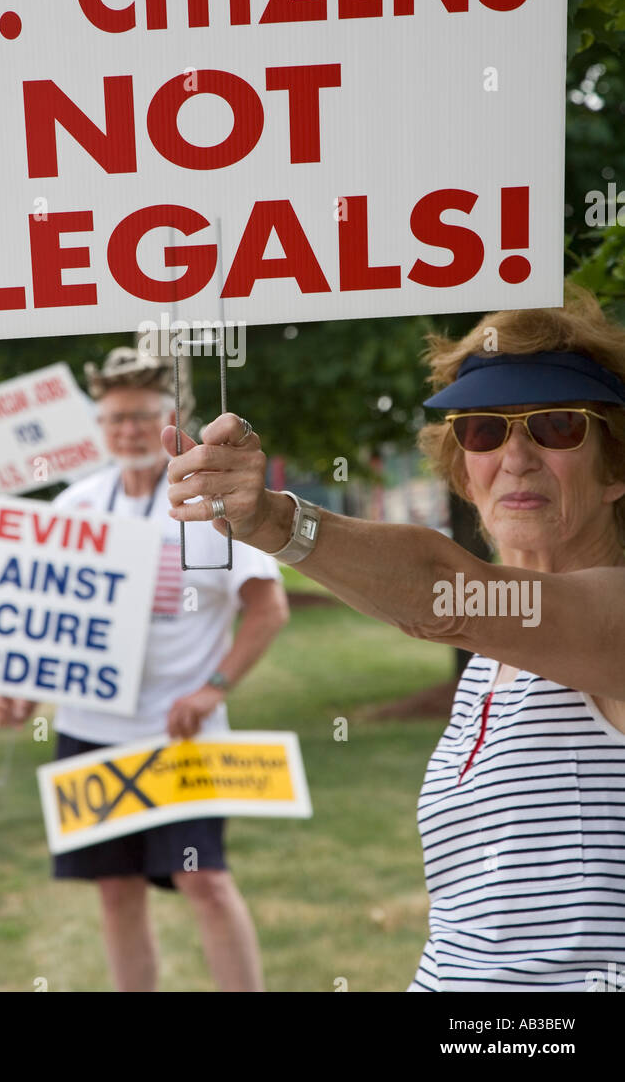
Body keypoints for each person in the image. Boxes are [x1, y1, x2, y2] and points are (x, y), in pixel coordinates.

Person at [163, 286, 625, 992]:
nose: (517, 456)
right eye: (484, 430)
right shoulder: (491, 664)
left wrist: (275, 523)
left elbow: (441, 589)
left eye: (558, 426)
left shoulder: (609, 619)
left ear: (616, 467)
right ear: (463, 469)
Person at [0, 347, 289, 993]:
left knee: (203, 881)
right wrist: (22, 693)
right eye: (115, 418)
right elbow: (53, 623)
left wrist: (213, 691)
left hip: (183, 736)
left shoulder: (206, 506)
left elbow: (269, 610)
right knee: (116, 893)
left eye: (141, 417)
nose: (127, 430)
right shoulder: (75, 506)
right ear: (99, 426)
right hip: (90, 730)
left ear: (169, 418)